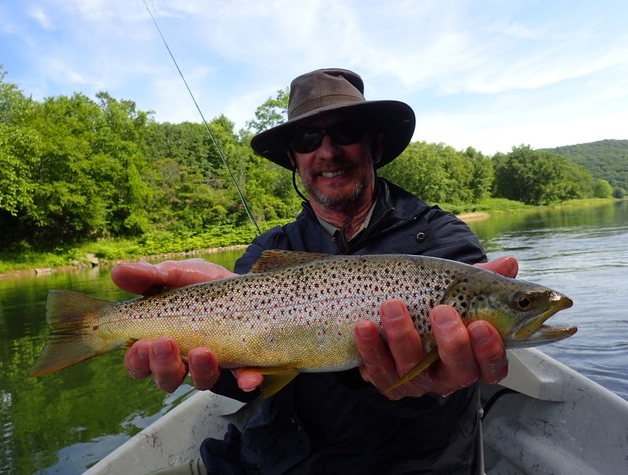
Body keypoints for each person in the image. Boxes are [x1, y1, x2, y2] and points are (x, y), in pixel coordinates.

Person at [112, 68, 516, 474]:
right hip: (280, 460)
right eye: (308, 139)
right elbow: (246, 378)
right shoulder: (270, 249)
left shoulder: (443, 242)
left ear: (374, 145)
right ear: (294, 158)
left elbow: (459, 365)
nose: (327, 151)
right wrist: (196, 361)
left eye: (346, 131)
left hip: (410, 463)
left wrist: (432, 383)